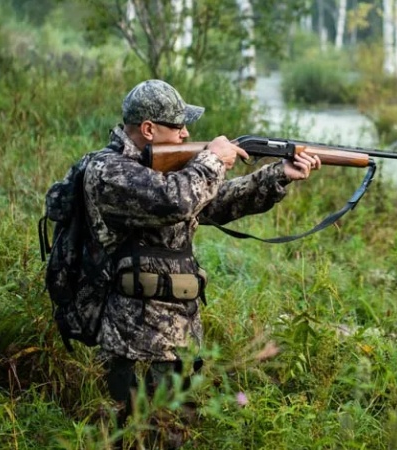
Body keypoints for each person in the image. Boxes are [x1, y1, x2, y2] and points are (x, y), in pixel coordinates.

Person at [83, 79, 321, 448]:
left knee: (175, 433)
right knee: (135, 436)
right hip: (136, 340)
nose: (186, 134)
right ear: (149, 129)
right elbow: (174, 201)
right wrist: (213, 159)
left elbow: (214, 200)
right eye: (178, 126)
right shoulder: (110, 172)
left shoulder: (167, 171)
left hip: (179, 337)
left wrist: (277, 175)